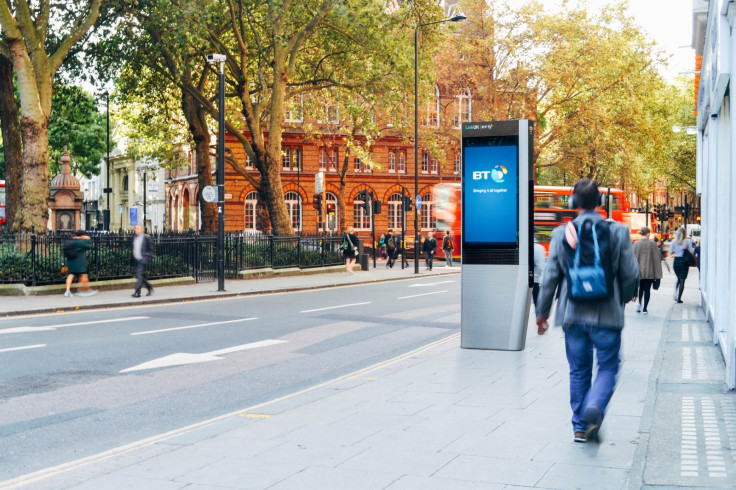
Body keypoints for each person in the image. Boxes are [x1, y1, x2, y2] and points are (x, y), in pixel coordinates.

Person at [535, 179, 638, 444]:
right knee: (607, 367)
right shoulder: (619, 232)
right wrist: (623, 299)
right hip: (607, 315)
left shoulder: (561, 233)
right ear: (601, 203)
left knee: (579, 371)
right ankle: (595, 405)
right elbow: (631, 274)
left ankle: (580, 427)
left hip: (573, 314)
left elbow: (550, 278)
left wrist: (542, 313)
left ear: (573, 203)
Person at [632, 226, 662, 314]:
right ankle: (645, 308)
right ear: (648, 233)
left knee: (640, 288)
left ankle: (639, 304)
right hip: (650, 271)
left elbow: (632, 258)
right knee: (647, 289)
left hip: (639, 271)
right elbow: (657, 258)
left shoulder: (636, 244)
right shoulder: (652, 244)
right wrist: (658, 274)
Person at [64, 230, 97, 297]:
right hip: (79, 262)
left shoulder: (71, 241)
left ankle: (67, 291)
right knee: (84, 275)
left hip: (71, 261)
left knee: (70, 275)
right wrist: (88, 239)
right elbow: (89, 246)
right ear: (82, 235)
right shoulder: (80, 242)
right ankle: (86, 290)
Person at [670, 227, 694, 303]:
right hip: (684, 262)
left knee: (678, 278)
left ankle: (675, 292)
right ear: (684, 234)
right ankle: (679, 298)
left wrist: (676, 251)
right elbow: (691, 252)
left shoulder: (673, 241)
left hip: (676, 262)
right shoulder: (687, 241)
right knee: (682, 280)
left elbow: (671, 252)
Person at [131, 224, 154, 297]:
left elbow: (151, 250)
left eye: (137, 228)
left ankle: (137, 292)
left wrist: (146, 257)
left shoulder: (147, 238)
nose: (135, 230)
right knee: (142, 277)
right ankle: (149, 287)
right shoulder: (134, 237)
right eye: (135, 228)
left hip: (143, 260)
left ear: (142, 230)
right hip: (136, 260)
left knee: (139, 275)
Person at [533, 236, 547, 334]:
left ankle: (541, 323)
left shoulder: (522, 246)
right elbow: (540, 266)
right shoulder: (539, 248)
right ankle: (541, 324)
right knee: (537, 303)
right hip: (535, 280)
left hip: (527, 279)